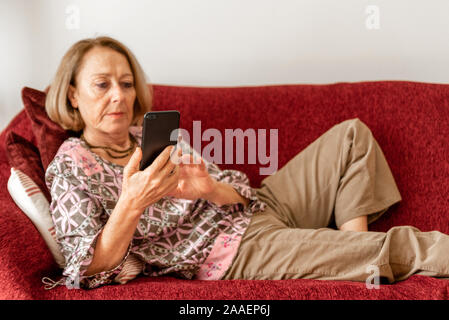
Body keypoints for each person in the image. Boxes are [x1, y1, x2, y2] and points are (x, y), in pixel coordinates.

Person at [42, 36, 449, 290]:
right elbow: (83, 268)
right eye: (102, 84)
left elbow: (237, 189)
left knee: (351, 136)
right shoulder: (70, 166)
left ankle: (354, 255)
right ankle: (365, 255)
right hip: (232, 250)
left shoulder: (146, 138)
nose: (118, 95)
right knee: (403, 245)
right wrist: (131, 203)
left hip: (257, 207)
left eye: (126, 83)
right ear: (73, 94)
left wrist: (209, 188)